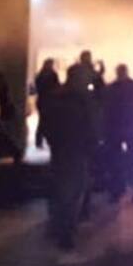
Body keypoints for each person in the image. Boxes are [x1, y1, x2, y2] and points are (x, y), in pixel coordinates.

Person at [45, 67, 100, 249]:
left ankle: (57, 224)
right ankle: (66, 231)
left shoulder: (54, 97)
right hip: (76, 150)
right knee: (74, 190)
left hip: (60, 149)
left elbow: (47, 123)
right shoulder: (82, 100)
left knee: (60, 187)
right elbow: (92, 125)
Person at [102, 64, 133, 202]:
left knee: (116, 159)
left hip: (116, 127)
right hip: (129, 127)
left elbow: (107, 108)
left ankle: (117, 189)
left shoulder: (112, 88)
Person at [33, 58, 60, 150]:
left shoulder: (40, 75)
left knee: (42, 121)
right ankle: (47, 140)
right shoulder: (52, 75)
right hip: (50, 101)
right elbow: (56, 87)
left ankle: (39, 141)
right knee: (49, 122)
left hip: (41, 100)